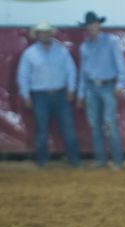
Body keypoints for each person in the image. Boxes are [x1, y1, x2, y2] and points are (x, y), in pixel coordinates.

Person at [16, 21, 80, 168]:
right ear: (37, 35)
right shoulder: (29, 54)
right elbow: (23, 75)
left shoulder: (62, 51)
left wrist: (71, 89)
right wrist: (25, 95)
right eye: (42, 32)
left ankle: (74, 160)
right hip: (39, 96)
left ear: (52, 33)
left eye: (47, 32)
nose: (45, 34)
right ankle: (42, 161)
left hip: (60, 94)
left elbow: (71, 70)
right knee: (42, 129)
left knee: (68, 128)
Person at [77, 11, 125, 170]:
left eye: (94, 24)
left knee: (109, 124)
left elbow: (121, 65)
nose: (92, 27)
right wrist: (80, 93)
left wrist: (120, 85)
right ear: (86, 27)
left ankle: (117, 161)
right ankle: (101, 160)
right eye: (89, 25)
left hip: (108, 86)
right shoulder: (84, 47)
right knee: (95, 125)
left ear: (98, 25)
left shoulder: (111, 42)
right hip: (91, 87)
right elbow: (83, 72)